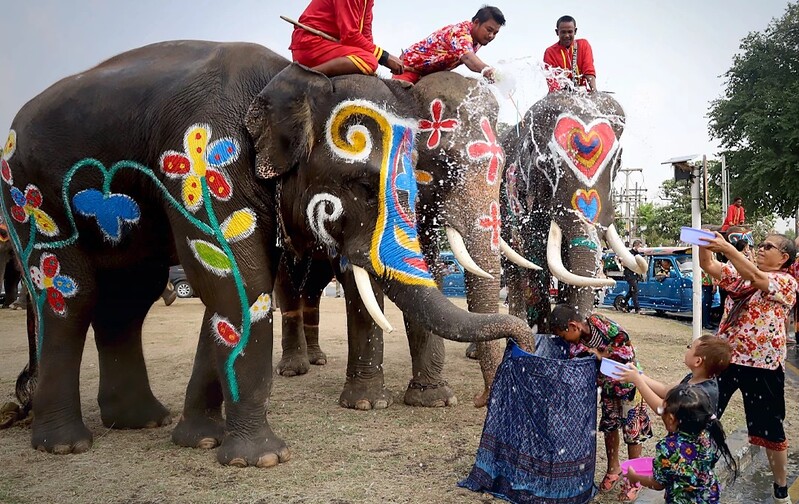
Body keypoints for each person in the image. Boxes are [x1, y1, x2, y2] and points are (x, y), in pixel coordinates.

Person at [699, 232, 797, 504]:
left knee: (771, 431)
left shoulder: (786, 282)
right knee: (700, 413)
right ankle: (696, 474)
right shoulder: (741, 275)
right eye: (761, 245)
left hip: (763, 366)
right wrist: (703, 245)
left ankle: (780, 491)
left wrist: (727, 247)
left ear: (784, 257)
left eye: (769, 247)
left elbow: (756, 278)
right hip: (726, 361)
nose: (761, 249)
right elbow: (709, 266)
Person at [551, 304, 651, 502]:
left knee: (632, 432)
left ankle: (634, 479)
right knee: (609, 427)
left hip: (630, 386)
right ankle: (613, 469)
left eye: (563, 335)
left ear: (573, 326)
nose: (565, 340)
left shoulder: (600, 324)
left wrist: (600, 354)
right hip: (607, 389)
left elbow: (626, 349)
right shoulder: (577, 343)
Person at [625, 384, 738, 503]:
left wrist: (635, 478)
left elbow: (658, 484)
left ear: (671, 419)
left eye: (662, 410)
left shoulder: (668, 447)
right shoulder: (710, 434)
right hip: (708, 497)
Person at [616, 335, 731, 413]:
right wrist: (639, 375)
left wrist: (638, 381)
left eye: (690, 348)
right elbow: (665, 391)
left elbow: (662, 408)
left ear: (698, 361)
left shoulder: (696, 394)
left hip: (691, 448)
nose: (687, 350)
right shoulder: (695, 378)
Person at [289, 0, 404, 77]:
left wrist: (379, 57)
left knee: (369, 62)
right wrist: (385, 57)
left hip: (329, 46)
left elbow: (365, 34)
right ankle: (305, 77)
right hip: (311, 43)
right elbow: (350, 36)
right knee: (369, 61)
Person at [392, 6, 505, 84]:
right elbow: (468, 58)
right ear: (476, 22)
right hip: (409, 68)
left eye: (495, 33)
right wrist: (489, 71)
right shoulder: (460, 33)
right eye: (489, 30)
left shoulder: (477, 40)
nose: (491, 36)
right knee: (399, 102)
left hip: (430, 77)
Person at [543, 15, 597, 93]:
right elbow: (552, 81)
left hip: (582, 93)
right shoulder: (550, 52)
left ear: (575, 31)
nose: (567, 35)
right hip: (560, 95)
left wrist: (594, 91)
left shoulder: (583, 45)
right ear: (557, 32)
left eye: (570, 32)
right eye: (563, 32)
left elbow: (589, 70)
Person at [622, 240, 643, 313]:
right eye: (640, 246)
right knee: (635, 290)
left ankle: (622, 304)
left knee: (631, 291)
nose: (641, 248)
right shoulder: (629, 253)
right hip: (630, 274)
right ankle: (637, 309)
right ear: (636, 246)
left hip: (635, 274)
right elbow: (623, 263)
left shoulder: (639, 254)